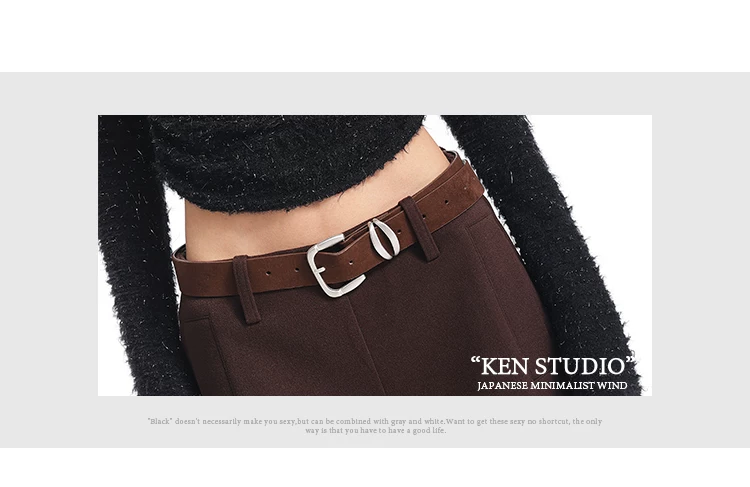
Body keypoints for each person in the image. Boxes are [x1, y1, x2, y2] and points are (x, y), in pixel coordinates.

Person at [98, 115, 641, 396]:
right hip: (252, 339)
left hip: (454, 282)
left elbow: (488, 114)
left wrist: (591, 329)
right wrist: (162, 393)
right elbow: (117, 183)